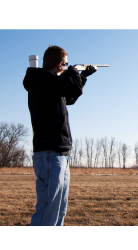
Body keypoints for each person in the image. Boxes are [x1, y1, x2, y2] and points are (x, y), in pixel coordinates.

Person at [23, 45, 97, 227]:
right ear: (59, 65)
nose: (66, 67)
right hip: (49, 155)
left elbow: (70, 96)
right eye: (65, 64)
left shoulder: (51, 85)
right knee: (48, 210)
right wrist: (74, 72)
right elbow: (72, 88)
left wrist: (83, 76)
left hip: (59, 155)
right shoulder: (42, 79)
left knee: (58, 211)